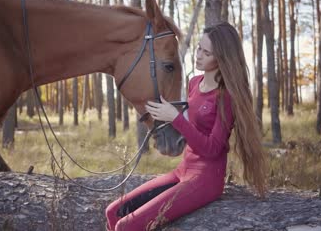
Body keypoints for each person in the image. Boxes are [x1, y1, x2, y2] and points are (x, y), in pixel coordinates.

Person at [105, 22, 267, 231]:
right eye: (199, 48)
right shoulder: (194, 82)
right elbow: (189, 127)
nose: (198, 55)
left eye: (206, 53)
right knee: (113, 212)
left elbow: (212, 148)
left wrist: (175, 118)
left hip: (205, 178)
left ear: (222, 59)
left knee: (125, 226)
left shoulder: (225, 96)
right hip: (183, 169)